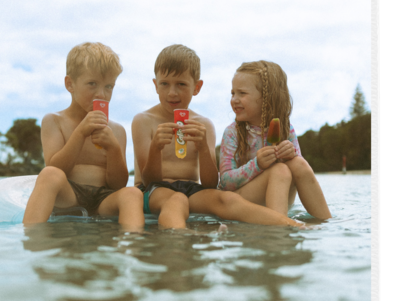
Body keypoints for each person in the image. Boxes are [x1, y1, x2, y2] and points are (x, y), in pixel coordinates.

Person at [131, 45, 307, 229]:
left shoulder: (204, 124)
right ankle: (180, 241)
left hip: (192, 190)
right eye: (164, 84)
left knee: (228, 199)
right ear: (155, 85)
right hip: (154, 191)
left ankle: (288, 225)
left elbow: (209, 183)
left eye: (181, 84)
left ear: (197, 87)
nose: (172, 92)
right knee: (176, 200)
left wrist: (203, 148)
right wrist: (155, 148)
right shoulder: (143, 121)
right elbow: (148, 180)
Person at [22, 42, 144, 228]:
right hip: (69, 196)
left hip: (103, 199)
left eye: (109, 86)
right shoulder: (54, 121)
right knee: (49, 174)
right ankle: (31, 237)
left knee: (133, 194)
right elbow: (56, 167)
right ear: (70, 84)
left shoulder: (117, 130)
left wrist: (113, 148)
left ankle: (130, 246)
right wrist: (79, 133)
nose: (101, 94)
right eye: (92, 84)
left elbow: (118, 185)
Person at [219, 60, 332, 219]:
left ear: (267, 98)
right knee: (279, 170)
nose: (234, 99)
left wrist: (290, 155)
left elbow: (300, 171)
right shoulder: (233, 132)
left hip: (278, 194)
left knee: (297, 163)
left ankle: (326, 221)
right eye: (233, 93)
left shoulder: (286, 128)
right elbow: (225, 182)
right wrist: (256, 165)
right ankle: (277, 230)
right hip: (242, 200)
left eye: (242, 93)